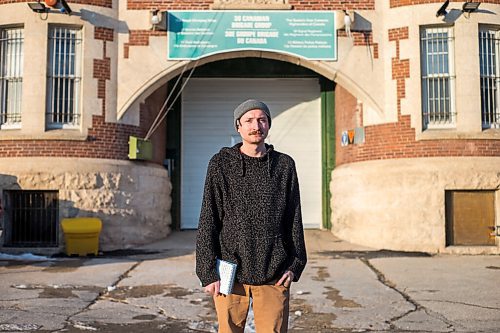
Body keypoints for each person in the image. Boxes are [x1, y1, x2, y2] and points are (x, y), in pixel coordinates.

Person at [196, 99, 307, 333]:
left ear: (268, 125)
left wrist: (295, 264)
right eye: (249, 120)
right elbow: (209, 217)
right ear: (238, 127)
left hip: (274, 271)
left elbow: (293, 217)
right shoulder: (221, 164)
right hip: (230, 272)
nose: (256, 125)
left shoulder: (284, 165)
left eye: (262, 119)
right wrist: (206, 271)